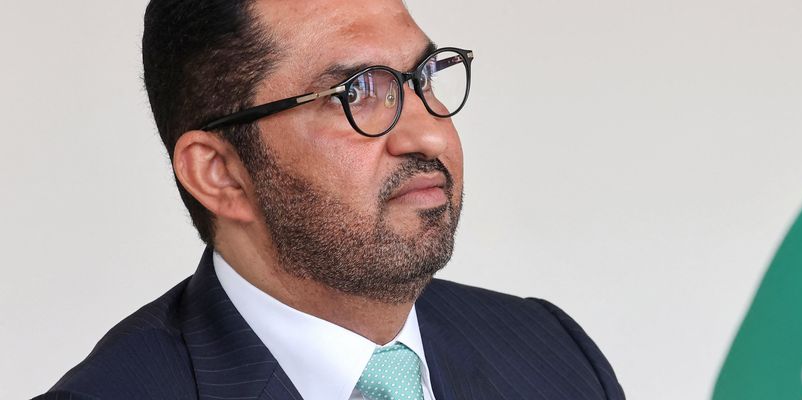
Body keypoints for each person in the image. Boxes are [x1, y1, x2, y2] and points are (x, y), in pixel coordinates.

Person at [37, 0, 623, 399]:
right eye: (357, 93)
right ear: (220, 174)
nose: (430, 133)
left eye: (426, 76)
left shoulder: (551, 351)